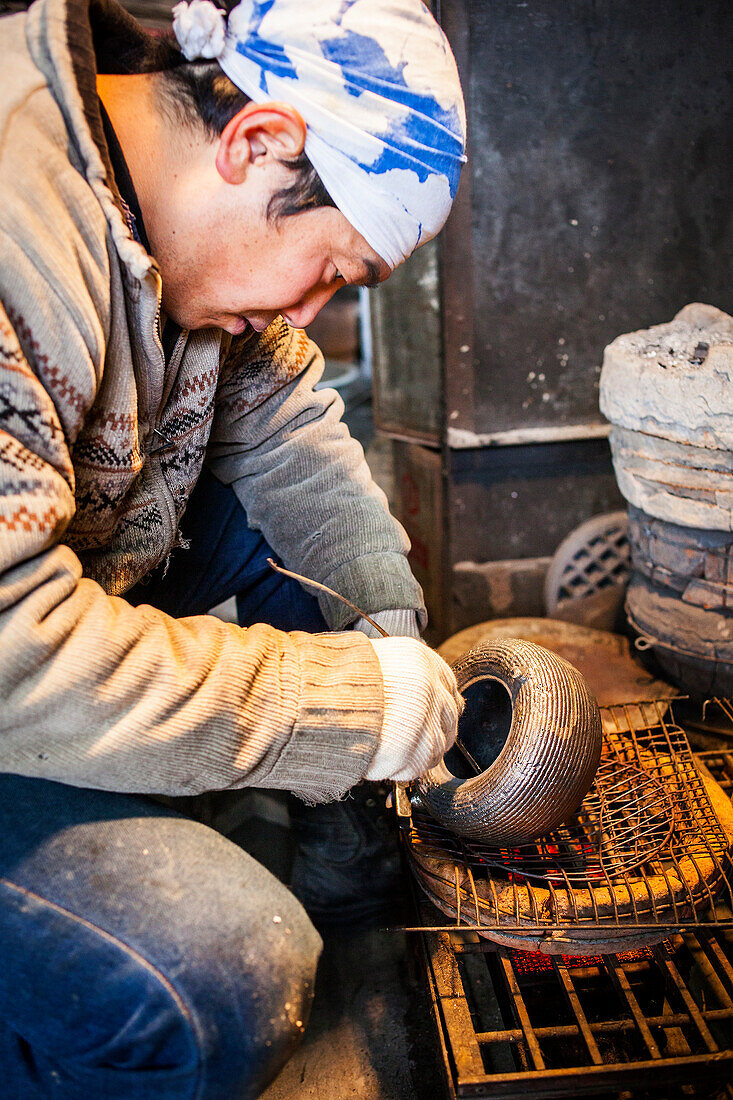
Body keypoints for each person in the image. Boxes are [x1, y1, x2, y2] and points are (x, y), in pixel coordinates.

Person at [0, 0, 466, 1094]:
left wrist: (384, 633)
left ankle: (356, 881)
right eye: (330, 271)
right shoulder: (18, 233)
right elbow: (14, 648)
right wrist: (344, 706)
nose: (310, 307)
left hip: (61, 578)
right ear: (256, 142)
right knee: (219, 974)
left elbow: (291, 427)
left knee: (316, 570)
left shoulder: (177, 228)